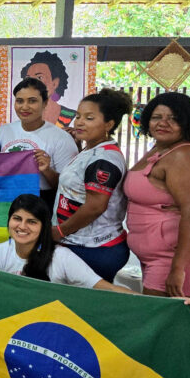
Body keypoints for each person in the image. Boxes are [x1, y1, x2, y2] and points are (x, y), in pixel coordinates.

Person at [124, 92, 190, 298]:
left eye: (174, 118)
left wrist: (178, 269)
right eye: (157, 117)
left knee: (161, 323)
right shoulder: (160, 150)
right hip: (157, 257)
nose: (163, 123)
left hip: (175, 259)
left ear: (187, 122)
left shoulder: (186, 156)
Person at [52, 88, 133, 282]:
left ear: (109, 124)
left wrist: (60, 231)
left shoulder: (104, 158)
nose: (79, 122)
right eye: (78, 116)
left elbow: (95, 206)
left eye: (89, 118)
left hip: (94, 249)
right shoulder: (92, 150)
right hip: (80, 244)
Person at [0, 194, 133, 293]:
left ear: (44, 226)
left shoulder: (61, 257)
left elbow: (103, 287)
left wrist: (150, 303)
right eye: (17, 218)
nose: (22, 226)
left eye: (31, 221)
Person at [0, 78, 78, 207]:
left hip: (42, 204)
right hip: (5, 201)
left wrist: (47, 170)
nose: (25, 107)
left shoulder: (61, 139)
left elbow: (69, 188)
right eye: (19, 101)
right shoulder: (3, 132)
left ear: (45, 103)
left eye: (32, 101)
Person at [20, 50, 75, 128]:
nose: (32, 83)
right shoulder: (24, 114)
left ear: (55, 83)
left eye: (39, 77)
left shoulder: (72, 117)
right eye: (28, 78)